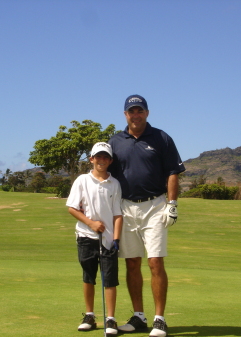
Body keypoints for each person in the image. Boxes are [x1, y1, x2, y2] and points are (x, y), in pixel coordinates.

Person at [108, 95, 185, 337]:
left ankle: (159, 319)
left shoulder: (161, 138)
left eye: (140, 111)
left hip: (154, 206)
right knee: (131, 262)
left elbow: (173, 172)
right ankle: (139, 316)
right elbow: (106, 175)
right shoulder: (115, 141)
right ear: (125, 115)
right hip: (126, 207)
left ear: (147, 113)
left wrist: (172, 204)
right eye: (131, 111)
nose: (136, 115)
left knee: (155, 261)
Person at [66, 142, 123, 336]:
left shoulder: (114, 183)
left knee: (110, 279)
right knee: (88, 276)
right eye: (98, 156)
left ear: (110, 161)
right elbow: (72, 207)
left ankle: (111, 319)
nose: (101, 160)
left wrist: (116, 238)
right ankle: (89, 315)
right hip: (86, 236)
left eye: (105, 157)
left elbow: (117, 214)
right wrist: (91, 223)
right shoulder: (82, 180)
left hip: (108, 239)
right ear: (91, 159)